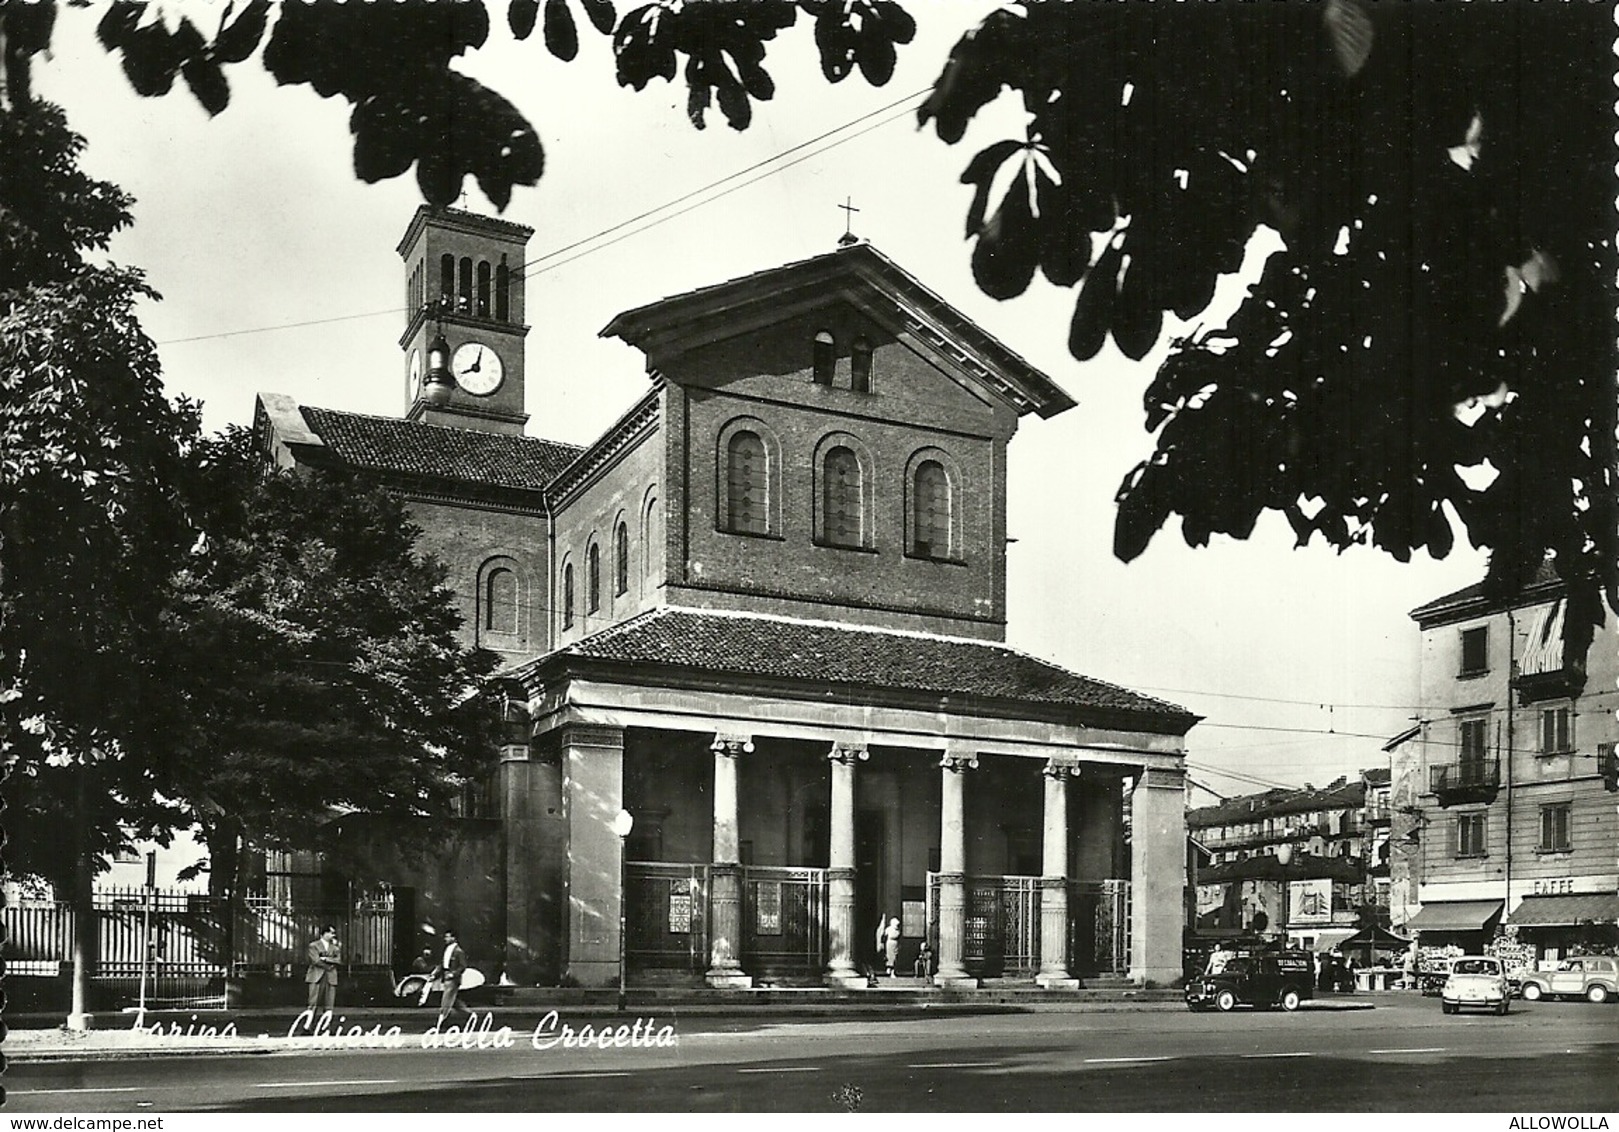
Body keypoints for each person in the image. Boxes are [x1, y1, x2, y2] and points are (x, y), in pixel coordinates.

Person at [433, 928, 474, 1028]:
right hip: (446, 976)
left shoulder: (458, 951)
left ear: (454, 938)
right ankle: (470, 1015)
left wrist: (453, 974)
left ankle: (441, 1022)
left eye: (447, 937)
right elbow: (443, 964)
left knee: (446, 1000)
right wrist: (434, 974)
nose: (445, 939)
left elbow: (463, 966)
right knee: (453, 1001)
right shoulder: (447, 950)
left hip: (452, 979)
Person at [304, 924, 340, 1026]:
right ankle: (308, 1026)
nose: (333, 935)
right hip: (316, 976)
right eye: (331, 933)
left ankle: (325, 1026)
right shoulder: (314, 945)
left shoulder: (335, 948)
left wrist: (326, 959)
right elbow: (315, 960)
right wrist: (329, 965)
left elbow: (338, 960)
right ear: (324, 933)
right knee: (313, 1002)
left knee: (329, 1003)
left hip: (330, 977)